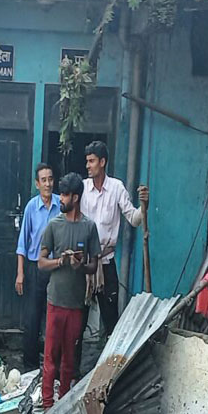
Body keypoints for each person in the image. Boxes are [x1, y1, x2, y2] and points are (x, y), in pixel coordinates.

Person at [38, 173, 100, 409]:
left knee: (69, 359)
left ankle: (63, 404)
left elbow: (94, 266)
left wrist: (79, 266)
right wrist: (60, 262)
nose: (60, 199)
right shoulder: (54, 225)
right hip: (55, 300)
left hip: (76, 304)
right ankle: (47, 404)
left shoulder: (89, 227)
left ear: (75, 197)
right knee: (50, 356)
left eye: (64, 195)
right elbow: (41, 262)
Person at [80, 141, 149, 336]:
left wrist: (144, 206)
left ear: (102, 162)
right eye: (87, 161)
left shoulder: (116, 187)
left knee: (111, 320)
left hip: (106, 262)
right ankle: (75, 358)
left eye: (91, 161)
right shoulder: (82, 188)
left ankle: (110, 355)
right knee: (79, 322)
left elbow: (134, 219)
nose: (88, 166)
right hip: (85, 263)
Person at [16, 163, 60, 372]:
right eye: (43, 180)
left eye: (50, 179)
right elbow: (22, 243)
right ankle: (30, 366)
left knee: (55, 317)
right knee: (32, 319)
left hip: (56, 268)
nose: (48, 184)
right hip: (35, 268)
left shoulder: (61, 205)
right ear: (37, 184)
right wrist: (20, 273)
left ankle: (53, 366)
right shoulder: (31, 208)